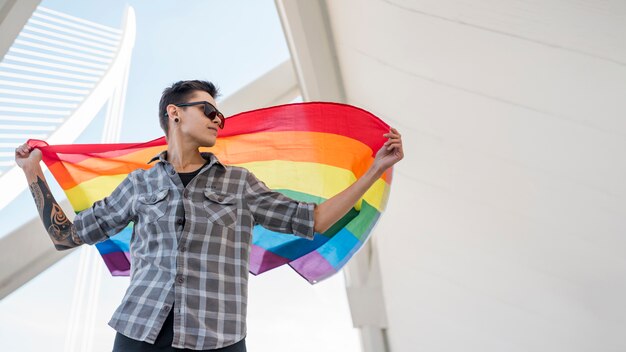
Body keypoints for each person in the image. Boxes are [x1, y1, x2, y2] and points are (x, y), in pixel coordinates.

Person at [14, 80, 404, 351]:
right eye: (209, 110)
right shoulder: (139, 185)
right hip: (138, 334)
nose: (219, 119)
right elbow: (66, 236)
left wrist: (373, 171)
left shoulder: (240, 184)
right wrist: (33, 174)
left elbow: (313, 220)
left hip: (219, 341)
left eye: (221, 114)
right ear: (175, 114)